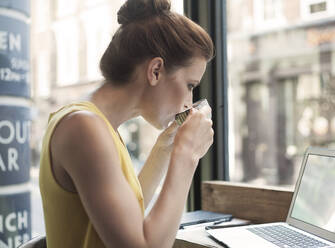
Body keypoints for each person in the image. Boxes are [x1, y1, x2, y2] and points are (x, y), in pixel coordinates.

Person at [39, 0, 214, 247]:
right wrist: (187, 156)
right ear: (155, 71)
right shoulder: (83, 128)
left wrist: (165, 148)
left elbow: (125, 215)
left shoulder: (94, 123)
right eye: (190, 86)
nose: (189, 103)